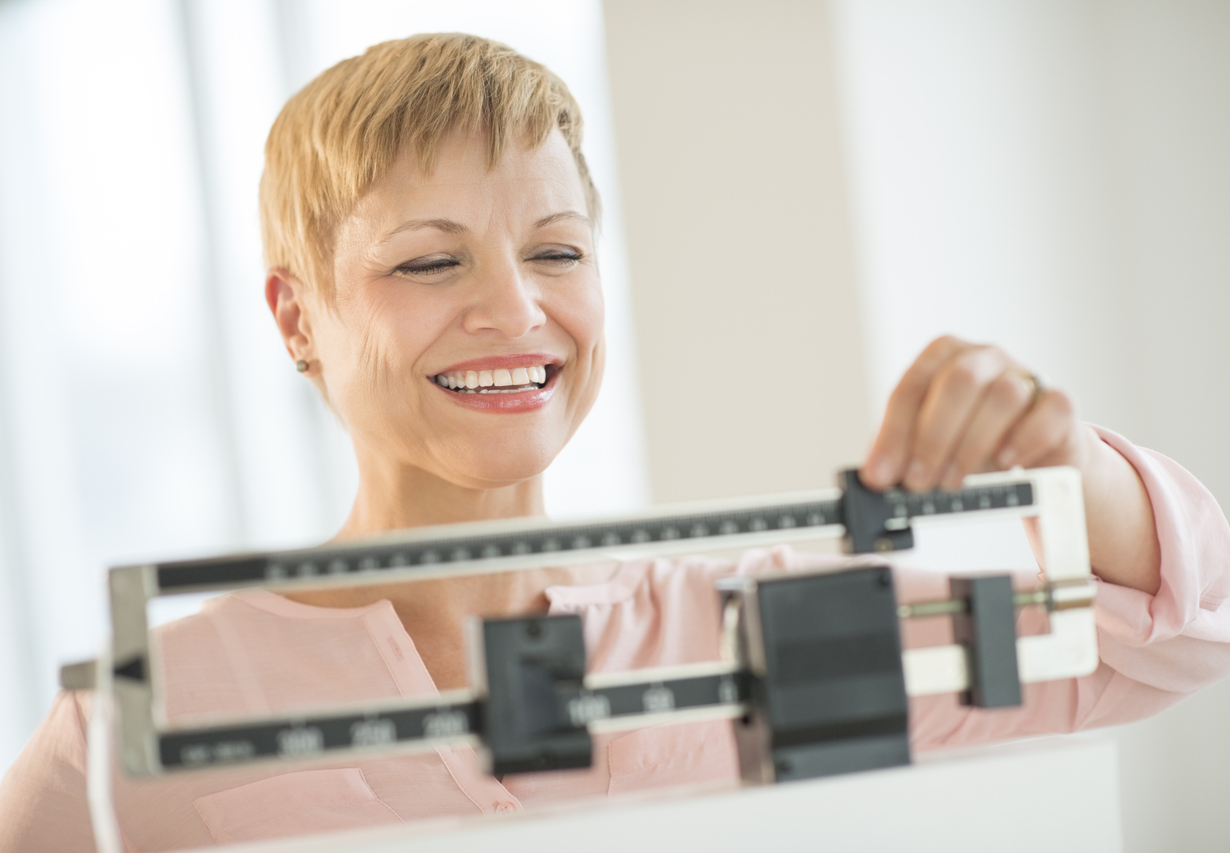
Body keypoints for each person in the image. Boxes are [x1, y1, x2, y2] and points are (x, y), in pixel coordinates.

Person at [2, 32, 1228, 853]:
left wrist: (1070, 458)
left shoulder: (758, 627)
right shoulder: (135, 721)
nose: (515, 311)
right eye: (431, 259)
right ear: (296, 319)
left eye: (556, 250)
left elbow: (1178, 635)